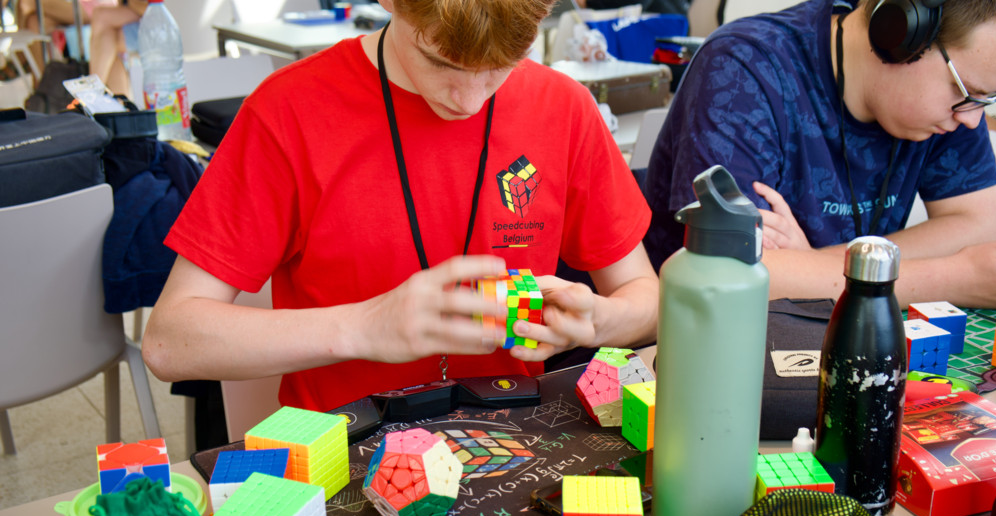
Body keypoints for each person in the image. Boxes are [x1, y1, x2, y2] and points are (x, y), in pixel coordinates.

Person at [142, 0, 658, 413]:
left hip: (509, 446)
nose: (469, 99)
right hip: (343, 454)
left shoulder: (563, 108)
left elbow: (648, 299)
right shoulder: (288, 113)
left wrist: (599, 323)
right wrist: (366, 327)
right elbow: (169, 342)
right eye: (440, 62)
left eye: (500, 67)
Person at [644, 0, 996, 308]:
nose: (972, 119)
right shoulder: (743, 68)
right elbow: (728, 272)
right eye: (963, 90)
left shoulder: (948, 114)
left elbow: (981, 226)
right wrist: (956, 277)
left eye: (986, 99)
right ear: (901, 33)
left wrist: (813, 264)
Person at [88, 0, 145, 96]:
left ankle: (92, 92)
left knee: (101, 18)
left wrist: (132, 2)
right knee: (107, 42)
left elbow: (147, 6)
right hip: (140, 19)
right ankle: (120, 103)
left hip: (160, 20)